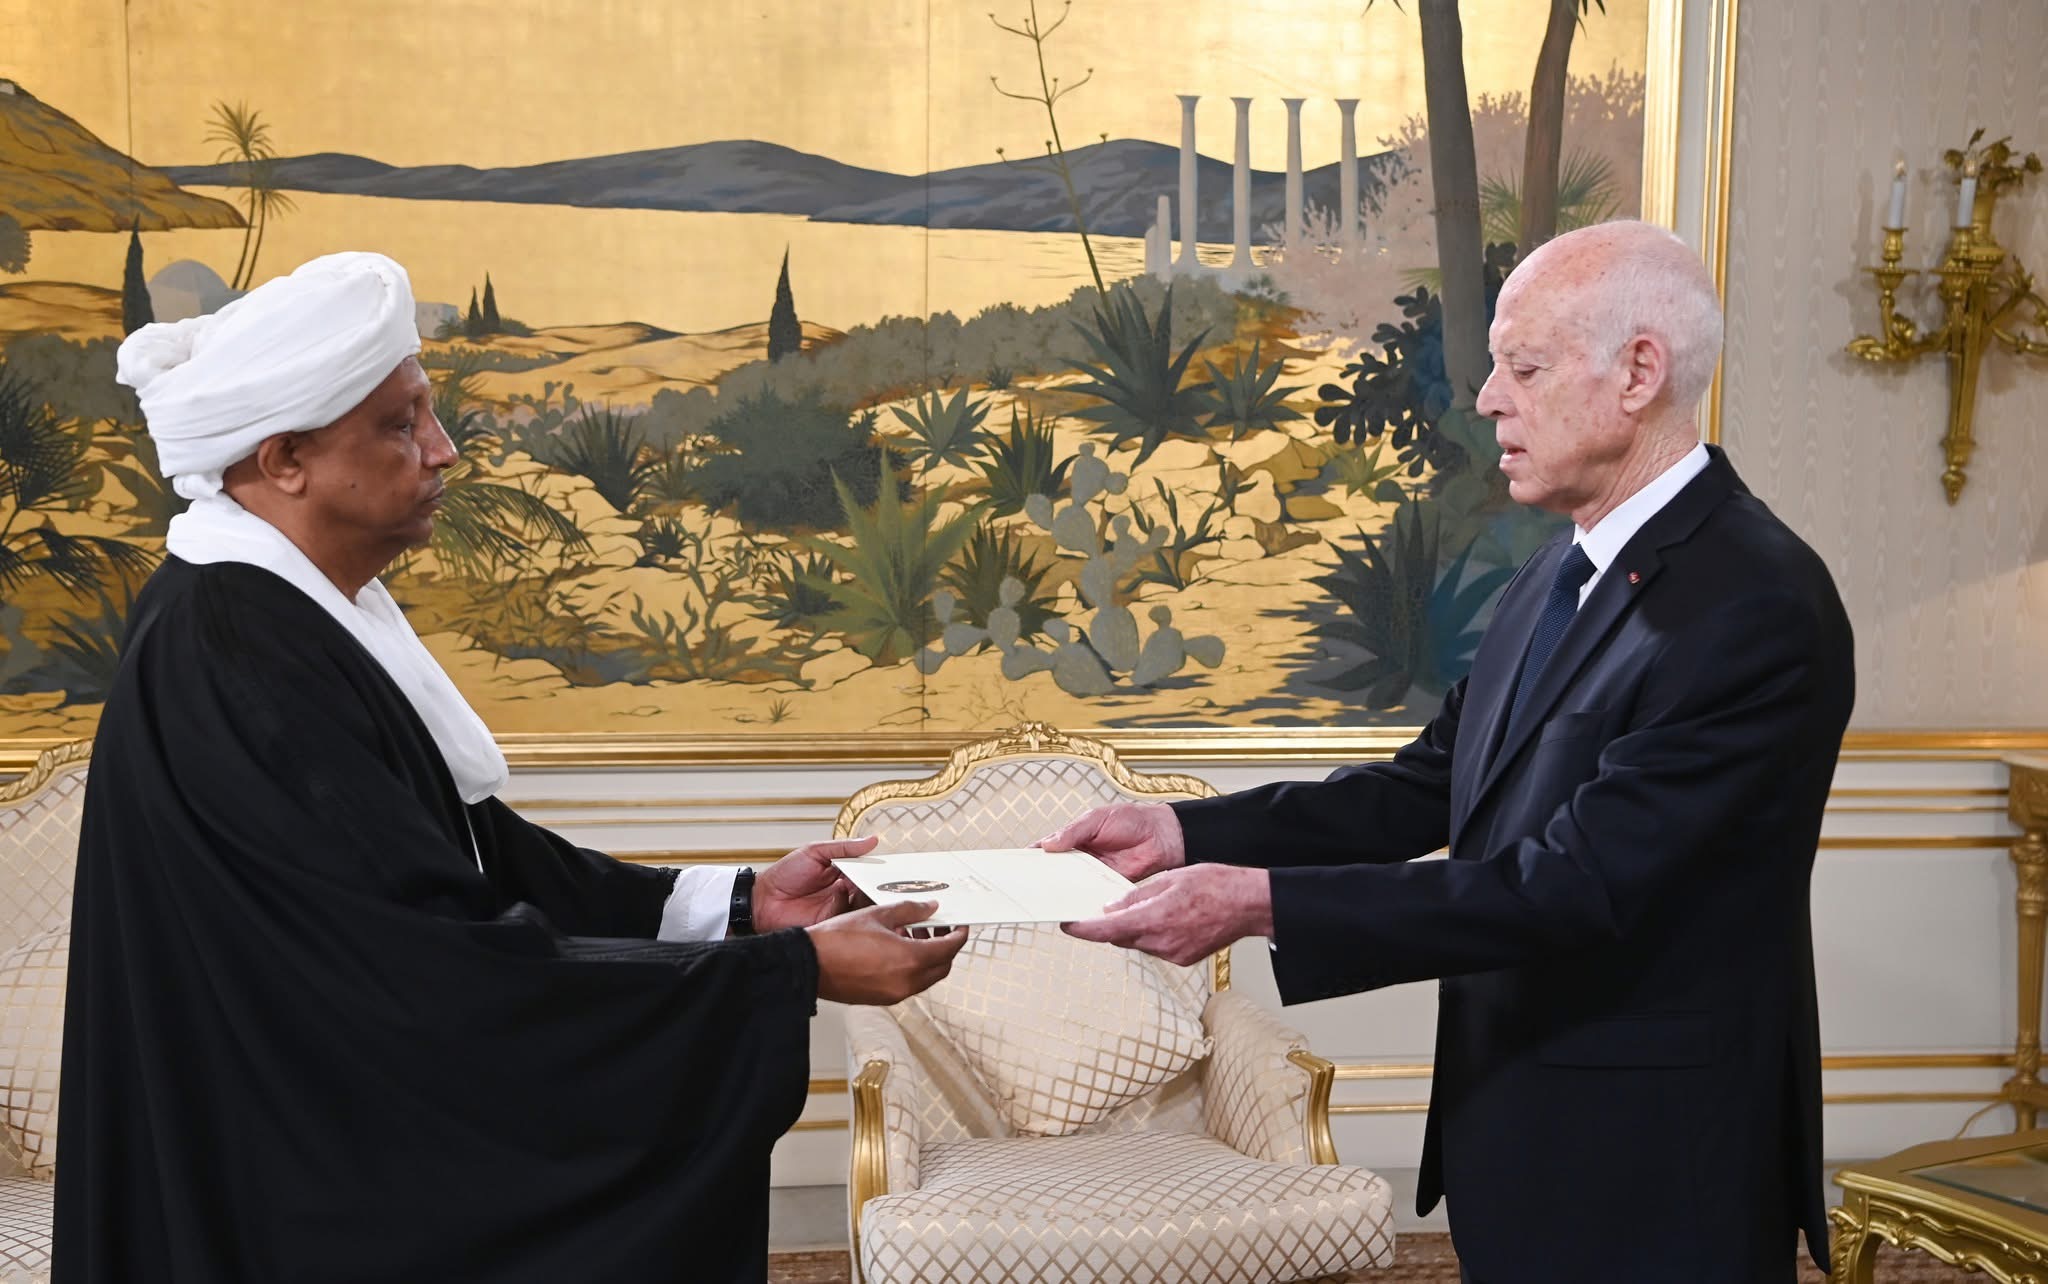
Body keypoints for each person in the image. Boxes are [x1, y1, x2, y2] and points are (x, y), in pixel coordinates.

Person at [57, 252, 967, 1283]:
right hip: (289, 1191)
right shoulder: (237, 651)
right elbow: (425, 977)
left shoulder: (271, 614)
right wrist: (790, 972)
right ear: (286, 458)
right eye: (401, 424)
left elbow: (473, 855)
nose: (442, 449)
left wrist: (743, 906)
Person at [1048, 221, 1854, 1283]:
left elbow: (1571, 886)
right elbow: (1428, 784)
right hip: (1515, 1129)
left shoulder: (1754, 603)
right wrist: (1181, 832)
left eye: (1523, 367)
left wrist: (1256, 904)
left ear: (1638, 373)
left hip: (1656, 1165)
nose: (1485, 400)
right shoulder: (1554, 572)